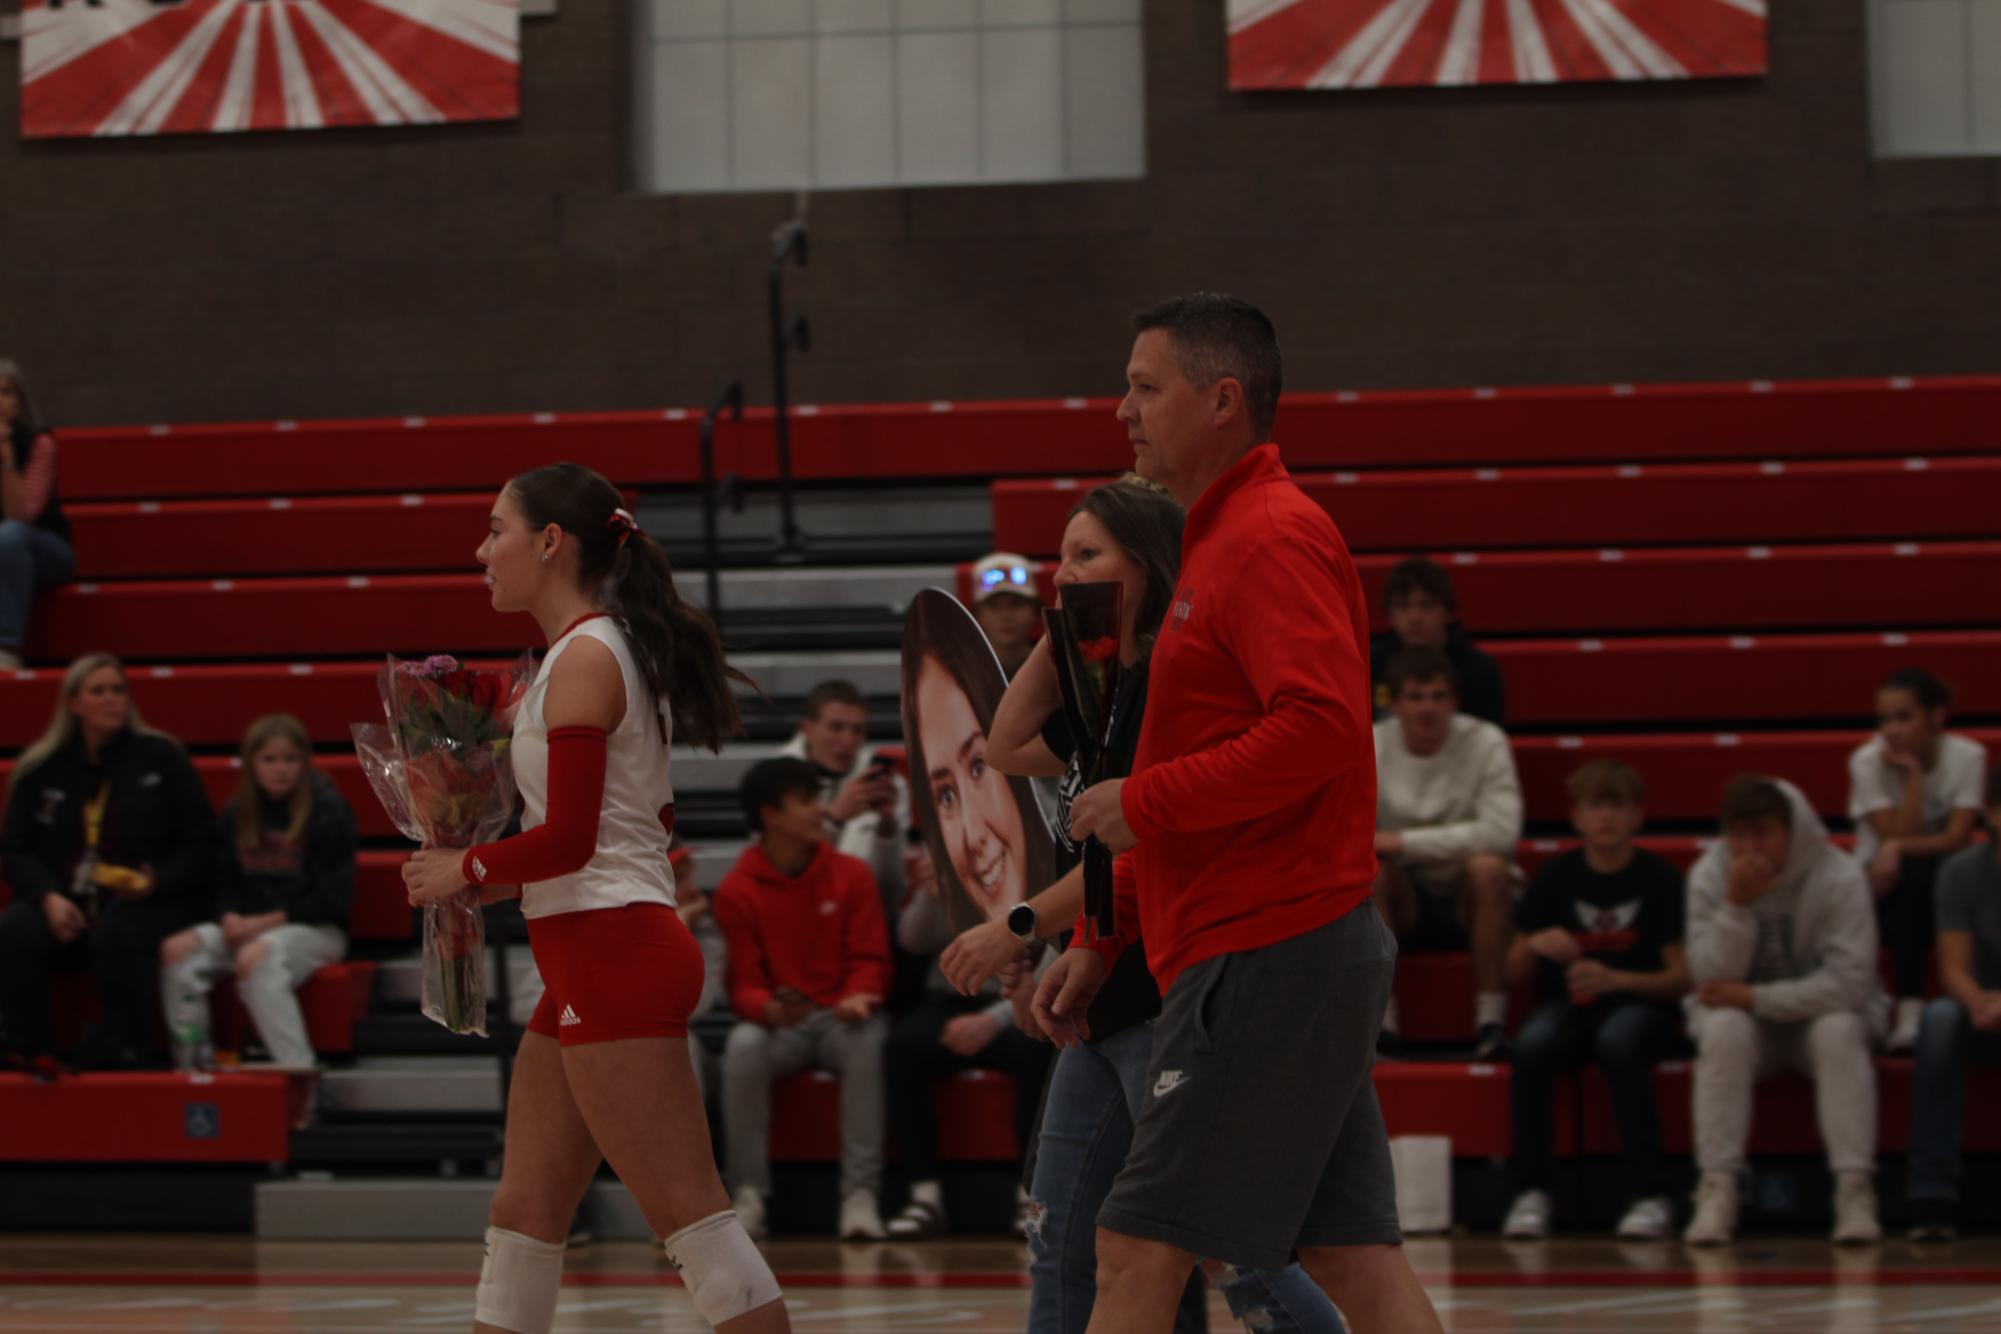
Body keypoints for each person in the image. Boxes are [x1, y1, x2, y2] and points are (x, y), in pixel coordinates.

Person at [1038, 293, 1442, 1333]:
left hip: (1268, 946)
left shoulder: (1266, 536)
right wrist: (1104, 926)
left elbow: (1319, 729)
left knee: (1134, 1247)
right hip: (1284, 944)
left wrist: (1143, 799)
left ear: (1221, 399)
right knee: (1355, 1257)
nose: (1121, 410)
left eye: (1143, 387)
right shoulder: (1217, 542)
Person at [398, 464, 789, 1334]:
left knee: (690, 1217)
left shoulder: (584, 660)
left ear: (549, 543)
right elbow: (601, 839)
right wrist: (478, 889)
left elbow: (573, 841)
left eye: (495, 528)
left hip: (616, 955)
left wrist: (460, 873)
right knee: (525, 1208)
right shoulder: (574, 659)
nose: (481, 549)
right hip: (588, 951)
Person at [965, 477, 1346, 1333]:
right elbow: (1001, 743)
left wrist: (1022, 924)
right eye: (1059, 557)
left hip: (1166, 990)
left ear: (1147, 564)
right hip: (1100, 996)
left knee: (1226, 1255)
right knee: (1062, 1240)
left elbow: (1135, 856)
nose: (1062, 572)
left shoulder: (1177, 690)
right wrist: (1065, 620)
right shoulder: (1102, 693)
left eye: (1086, 555)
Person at [1682, 775, 1884, 1247]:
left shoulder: (1841, 874)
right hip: (1750, 1027)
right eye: (1739, 835)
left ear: (1792, 832)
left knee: (1838, 1029)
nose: (1750, 848)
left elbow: (1850, 985)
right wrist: (1736, 906)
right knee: (1724, 1028)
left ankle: (1854, 1189)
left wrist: (1755, 998)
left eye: (1763, 834)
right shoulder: (1709, 876)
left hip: (1817, 1020)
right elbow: (1709, 979)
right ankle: (1717, 1187)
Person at [1499, 760, 1689, 1241]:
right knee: (1533, 1047)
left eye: (1616, 806)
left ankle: (1649, 1194)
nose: (1605, 818)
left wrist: (1617, 979)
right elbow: (1511, 970)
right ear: (1576, 817)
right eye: (1593, 807)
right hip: (1570, 1005)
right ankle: (1532, 1191)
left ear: (1636, 817)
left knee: (1619, 1042)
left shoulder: (1659, 879)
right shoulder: (1556, 876)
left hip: (1642, 1006)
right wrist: (1534, 943)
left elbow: (1680, 978)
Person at [0, 654, 216, 1075]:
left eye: (118, 690)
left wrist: (157, 881)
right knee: (14, 929)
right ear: (73, 703)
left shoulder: (161, 756)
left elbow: (203, 842)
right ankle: (29, 1050)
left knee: (119, 931)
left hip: (149, 900)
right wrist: (48, 897)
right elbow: (15, 852)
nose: (111, 700)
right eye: (98, 691)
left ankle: (124, 1049)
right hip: (67, 901)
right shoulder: (40, 770)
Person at [714, 756, 892, 1244]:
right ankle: (748, 1194)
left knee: (866, 1039)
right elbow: (743, 984)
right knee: (743, 1045)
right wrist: (768, 1009)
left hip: (841, 1016)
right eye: (808, 801)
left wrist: (861, 994)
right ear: (771, 816)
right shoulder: (737, 890)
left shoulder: (851, 875)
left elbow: (871, 958)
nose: (822, 811)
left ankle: (860, 1195)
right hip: (782, 1025)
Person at [159, 713, 357, 1070]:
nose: (280, 769)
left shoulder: (329, 810)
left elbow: (332, 899)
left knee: (257, 958)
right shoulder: (238, 812)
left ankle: (297, 1073)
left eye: (289, 759)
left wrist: (265, 922)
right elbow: (224, 884)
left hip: (315, 930)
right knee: (179, 951)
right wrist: (229, 916)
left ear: (304, 761)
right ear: (252, 764)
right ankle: (194, 1065)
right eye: (269, 759)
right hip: (251, 926)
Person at [1371, 646, 1525, 1059]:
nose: (1428, 708)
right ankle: (1381, 1025)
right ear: (1395, 703)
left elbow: (1501, 832)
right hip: (1401, 895)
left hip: (1467, 894)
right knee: (1368, 872)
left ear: (1454, 701)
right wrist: (1393, 848)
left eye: (1438, 696)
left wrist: (1402, 842)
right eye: (1416, 697)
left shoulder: (1485, 741)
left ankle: (1491, 1022)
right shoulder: (1371, 744)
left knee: (1491, 869)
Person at [1846, 668, 1985, 1052]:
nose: (1890, 730)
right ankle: (1908, 1007)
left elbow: (1958, 837)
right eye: (1883, 719)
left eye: (1903, 717)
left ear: (1936, 717)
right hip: (1882, 883)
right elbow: (1894, 835)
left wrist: (1900, 846)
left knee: (1938, 872)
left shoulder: (1968, 755)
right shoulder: (1866, 761)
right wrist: (1913, 776)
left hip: (1942, 877)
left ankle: (1941, 1001)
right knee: (1911, 873)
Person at [1905, 762, 2001, 1241]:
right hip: (1980, 1012)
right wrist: (1982, 1003)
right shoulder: (1963, 873)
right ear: (1993, 814)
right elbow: (1952, 968)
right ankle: (1932, 1197)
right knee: (1939, 1018)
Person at [780, 680, 907, 919]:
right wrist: (833, 818)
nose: (848, 741)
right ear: (807, 730)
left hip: (862, 910)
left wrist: (887, 828)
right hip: (795, 911)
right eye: (836, 728)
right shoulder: (776, 778)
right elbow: (780, 871)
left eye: (857, 730)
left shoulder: (885, 784)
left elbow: (892, 891)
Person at [1368, 556, 1505, 726]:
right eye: (1403, 606)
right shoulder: (1371, 663)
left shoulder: (1478, 669)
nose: (1414, 617)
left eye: (1426, 605)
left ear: (1447, 612)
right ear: (1390, 615)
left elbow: (1487, 739)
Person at [0, 359, 73, 671]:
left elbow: (21, 514)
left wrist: (5, 458)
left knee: (9, 536)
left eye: (5, 392)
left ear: (20, 401)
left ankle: (6, 645)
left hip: (44, 549)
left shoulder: (39, 443)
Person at [970, 551, 1044, 677]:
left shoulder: (1056, 669)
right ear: (976, 615)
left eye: (1016, 604)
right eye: (993, 606)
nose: (1006, 616)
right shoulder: (961, 674)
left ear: (1036, 611)